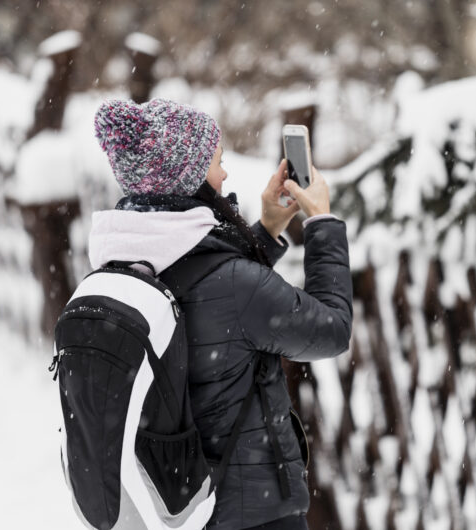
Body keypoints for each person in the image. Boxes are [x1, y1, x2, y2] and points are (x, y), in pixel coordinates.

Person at [89, 98, 353, 529]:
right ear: (190, 179)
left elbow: (209, 294)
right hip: (252, 512)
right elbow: (333, 330)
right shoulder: (232, 284)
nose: (225, 174)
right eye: (217, 162)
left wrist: (267, 229)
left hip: (174, 505)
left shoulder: (127, 262)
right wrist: (321, 223)